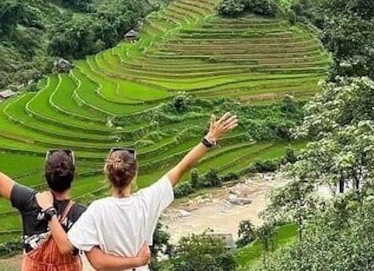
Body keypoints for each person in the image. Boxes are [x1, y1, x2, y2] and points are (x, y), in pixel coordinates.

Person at [37, 113, 239, 270]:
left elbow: (68, 248)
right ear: (134, 175)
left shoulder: (98, 210)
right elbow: (182, 168)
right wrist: (209, 138)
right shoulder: (147, 201)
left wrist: (50, 211)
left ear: (107, 174)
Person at [0, 112, 150, 271]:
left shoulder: (30, 201)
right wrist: (137, 260)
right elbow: (98, 260)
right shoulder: (83, 214)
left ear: (46, 175)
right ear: (73, 177)